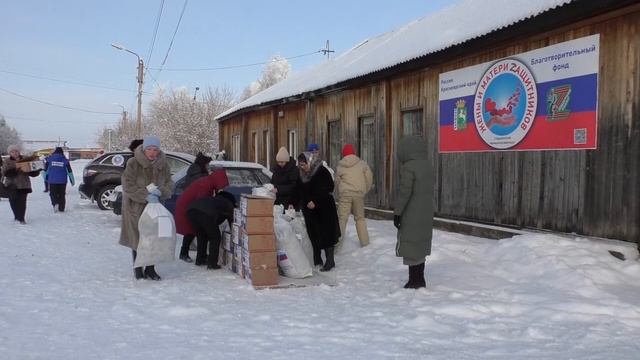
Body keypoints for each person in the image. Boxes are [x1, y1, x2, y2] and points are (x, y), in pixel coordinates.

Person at [119, 136, 173, 281]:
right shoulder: (133, 163)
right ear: (144, 149)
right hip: (135, 208)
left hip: (156, 208)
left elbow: (169, 183)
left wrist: (161, 192)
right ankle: (138, 268)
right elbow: (128, 186)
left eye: (155, 149)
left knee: (153, 238)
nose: (152, 152)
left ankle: (150, 269)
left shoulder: (163, 165)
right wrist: (145, 195)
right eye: (149, 149)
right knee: (138, 239)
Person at [393, 136, 434, 289]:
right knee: (421, 243)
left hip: (411, 212)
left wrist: (397, 213)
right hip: (426, 211)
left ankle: (413, 280)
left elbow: (405, 192)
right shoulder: (428, 165)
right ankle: (420, 279)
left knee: (410, 244)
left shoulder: (409, 167)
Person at [295, 151, 340, 272]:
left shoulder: (321, 171)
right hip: (309, 210)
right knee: (314, 234)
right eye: (300, 165)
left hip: (324, 208)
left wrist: (315, 201)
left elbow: (328, 187)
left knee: (326, 234)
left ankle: (330, 261)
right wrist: (294, 203)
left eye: (304, 164)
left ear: (310, 161)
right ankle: (317, 259)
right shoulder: (301, 174)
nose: (302, 167)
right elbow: (299, 189)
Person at [175, 168, 229, 263]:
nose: (222, 188)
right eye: (222, 186)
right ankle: (184, 253)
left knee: (198, 231)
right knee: (191, 229)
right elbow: (202, 203)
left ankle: (200, 256)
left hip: (191, 206)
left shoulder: (208, 181)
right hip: (186, 206)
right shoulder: (205, 185)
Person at [185, 191, 236, 269]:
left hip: (191, 211)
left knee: (202, 235)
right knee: (215, 237)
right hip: (205, 213)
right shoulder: (228, 203)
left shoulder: (214, 200)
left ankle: (200, 259)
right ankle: (212, 263)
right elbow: (231, 219)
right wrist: (234, 234)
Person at [335, 144, 373, 248]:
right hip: (358, 194)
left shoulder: (340, 166)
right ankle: (365, 243)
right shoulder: (362, 164)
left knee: (342, 219)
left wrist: (339, 192)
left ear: (344, 154)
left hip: (345, 194)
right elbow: (369, 177)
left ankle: (337, 245)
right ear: (354, 152)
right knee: (360, 218)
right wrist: (365, 189)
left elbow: (337, 181)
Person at [1, 145, 41, 224]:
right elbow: (5, 173)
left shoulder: (26, 159)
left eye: (16, 151)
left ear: (19, 152)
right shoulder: (7, 161)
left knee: (22, 203)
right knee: (13, 202)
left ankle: (21, 218)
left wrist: (36, 170)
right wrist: (16, 170)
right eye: (12, 152)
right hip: (11, 185)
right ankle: (17, 216)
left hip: (24, 185)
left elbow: (33, 173)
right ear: (10, 153)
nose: (15, 153)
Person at [44, 147, 74, 213]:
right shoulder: (65, 160)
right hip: (63, 181)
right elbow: (70, 171)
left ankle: (55, 203)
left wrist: (45, 178)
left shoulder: (50, 159)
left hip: (52, 180)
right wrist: (72, 181)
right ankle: (61, 208)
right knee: (62, 194)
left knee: (52, 193)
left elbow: (46, 170)